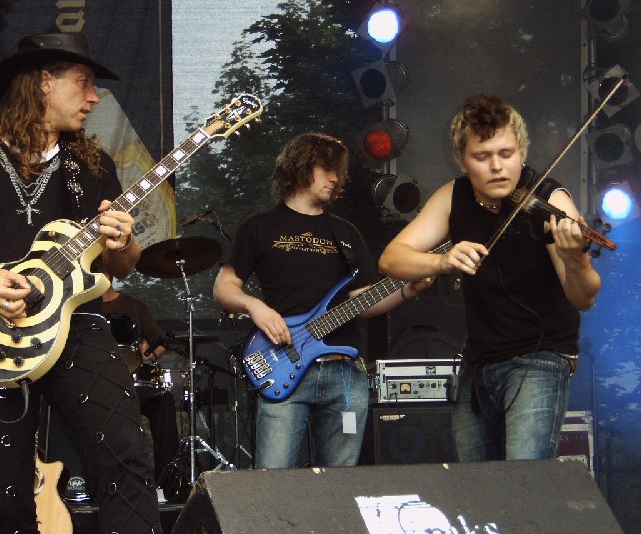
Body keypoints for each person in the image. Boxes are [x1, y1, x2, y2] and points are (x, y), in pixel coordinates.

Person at [0, 32, 162, 533]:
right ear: (44, 81)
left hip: (78, 326)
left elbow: (122, 266)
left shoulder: (91, 165)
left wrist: (122, 240)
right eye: (84, 83)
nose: (94, 97)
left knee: (126, 454)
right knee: (3, 494)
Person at [378, 93, 602, 462]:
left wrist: (575, 259)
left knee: (524, 477)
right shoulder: (454, 196)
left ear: (522, 153)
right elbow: (391, 259)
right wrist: (442, 261)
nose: (497, 166)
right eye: (482, 157)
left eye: (506, 153)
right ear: (462, 161)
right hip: (479, 361)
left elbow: (584, 297)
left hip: (540, 357)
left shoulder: (549, 198)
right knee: (477, 484)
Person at [212, 132, 431, 469]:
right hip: (283, 361)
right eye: (327, 169)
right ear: (300, 167)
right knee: (273, 480)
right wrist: (256, 307)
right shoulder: (258, 227)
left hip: (343, 371)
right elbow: (224, 287)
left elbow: (362, 300)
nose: (335, 179)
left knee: (339, 485)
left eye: (338, 172)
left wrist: (406, 290)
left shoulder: (345, 233)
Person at [100, 277, 180, 486]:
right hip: (97, 386)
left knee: (164, 401)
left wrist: (150, 355)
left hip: (133, 382)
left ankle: (166, 481)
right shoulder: (81, 308)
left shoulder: (134, 306)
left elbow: (161, 343)